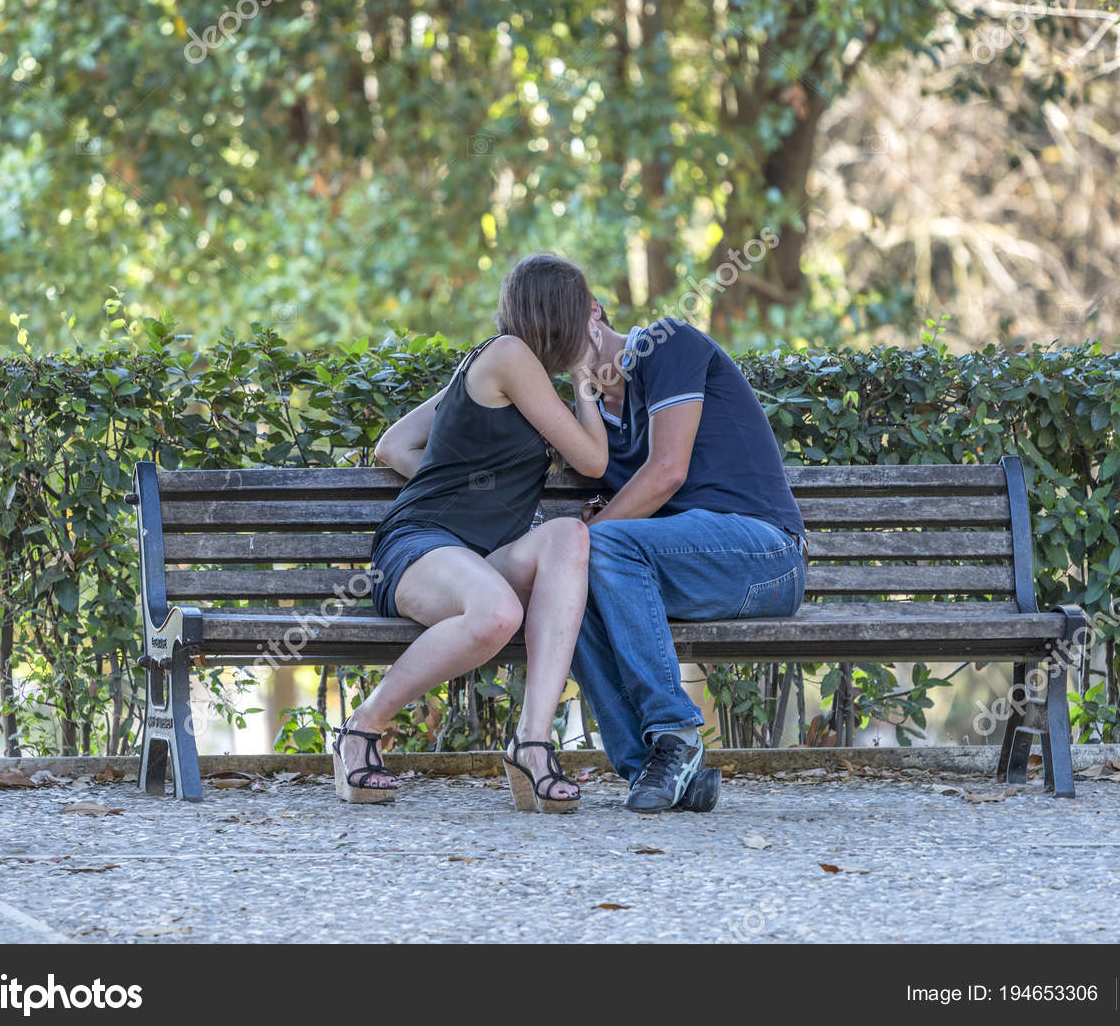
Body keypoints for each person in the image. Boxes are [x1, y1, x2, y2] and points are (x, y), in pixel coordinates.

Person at [334, 255, 608, 812]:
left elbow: (394, 446)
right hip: (419, 546)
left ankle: (532, 745)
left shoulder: (486, 367)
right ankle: (361, 729)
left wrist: (469, 490)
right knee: (498, 613)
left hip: (479, 560)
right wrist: (585, 378)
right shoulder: (508, 355)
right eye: (584, 315)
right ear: (561, 316)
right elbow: (594, 461)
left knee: (568, 539)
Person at [572, 307, 807, 813]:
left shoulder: (665, 343)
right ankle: (655, 771)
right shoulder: (591, 425)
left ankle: (675, 730)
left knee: (601, 545)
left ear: (593, 312)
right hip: (686, 568)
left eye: (557, 323)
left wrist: (591, 528)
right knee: (565, 585)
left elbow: (666, 473)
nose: (550, 340)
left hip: (766, 554)